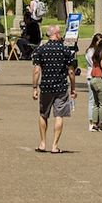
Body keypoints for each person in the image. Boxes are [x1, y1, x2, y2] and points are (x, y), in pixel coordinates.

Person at [30, 22, 79, 153]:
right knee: (59, 115)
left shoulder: (41, 50)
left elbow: (36, 71)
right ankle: (54, 145)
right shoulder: (65, 50)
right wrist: (73, 88)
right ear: (56, 34)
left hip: (46, 86)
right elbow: (71, 72)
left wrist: (35, 88)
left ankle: (42, 143)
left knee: (43, 114)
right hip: (61, 87)